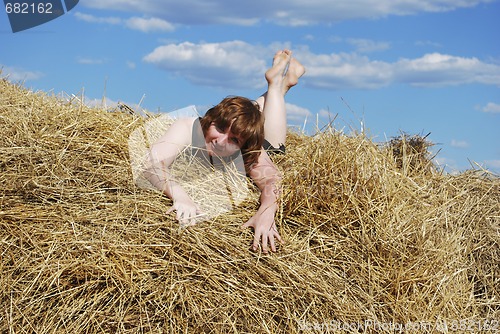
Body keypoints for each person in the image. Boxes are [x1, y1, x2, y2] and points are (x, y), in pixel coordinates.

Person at [142, 50, 305, 253]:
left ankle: (276, 84)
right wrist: (180, 196)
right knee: (247, 116)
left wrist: (266, 212)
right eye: (219, 128)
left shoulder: (250, 151)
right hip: (241, 129)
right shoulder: (188, 127)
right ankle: (282, 81)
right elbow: (151, 163)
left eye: (234, 140)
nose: (220, 141)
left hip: (264, 143)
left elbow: (274, 180)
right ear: (210, 119)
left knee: (274, 144)